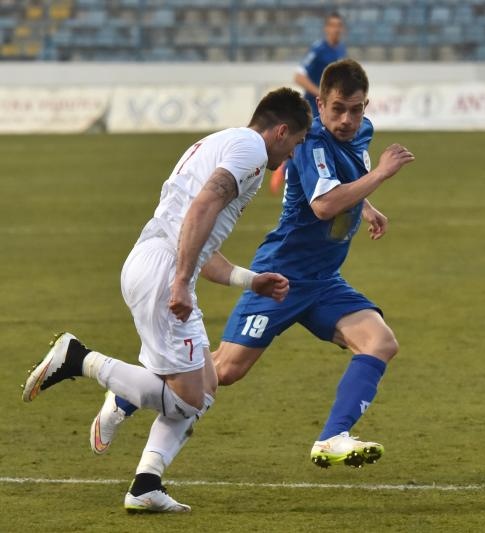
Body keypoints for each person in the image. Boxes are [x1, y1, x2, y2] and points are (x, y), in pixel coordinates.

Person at [22, 88, 312, 513]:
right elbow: (202, 208)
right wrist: (179, 283)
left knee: (206, 386)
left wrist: (251, 282)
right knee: (185, 400)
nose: (291, 155)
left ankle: (145, 484)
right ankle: (81, 359)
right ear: (281, 131)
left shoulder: (218, 142)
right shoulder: (250, 149)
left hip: (151, 261)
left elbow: (200, 238)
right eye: (296, 143)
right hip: (163, 271)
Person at [216, 58, 413, 468]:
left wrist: (367, 206)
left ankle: (331, 438)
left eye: (356, 109)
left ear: (366, 105)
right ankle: (129, 390)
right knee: (225, 371)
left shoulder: (363, 132)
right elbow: (324, 205)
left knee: (380, 342)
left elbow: (344, 181)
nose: (346, 119)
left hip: (323, 280)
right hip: (282, 276)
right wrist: (380, 176)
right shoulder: (311, 142)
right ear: (320, 103)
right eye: (338, 108)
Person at [270, 11, 347, 195]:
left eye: (338, 26)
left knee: (325, 141)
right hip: (313, 106)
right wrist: (321, 93)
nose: (335, 29)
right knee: (307, 142)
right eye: (332, 25)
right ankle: (286, 170)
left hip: (328, 107)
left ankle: (317, 175)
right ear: (326, 28)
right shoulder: (318, 50)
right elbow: (298, 76)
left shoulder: (340, 49)